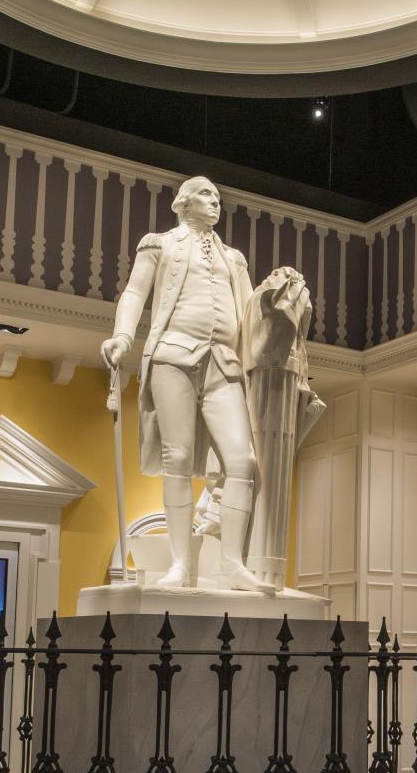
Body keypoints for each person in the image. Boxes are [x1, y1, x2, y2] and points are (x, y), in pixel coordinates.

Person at [99, 175, 304, 594]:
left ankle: (231, 564)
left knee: (242, 461)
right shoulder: (159, 244)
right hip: (173, 352)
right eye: (206, 196)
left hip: (223, 362)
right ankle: (180, 565)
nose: (215, 203)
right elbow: (135, 292)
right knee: (177, 458)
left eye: (217, 197)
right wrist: (122, 335)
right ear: (184, 203)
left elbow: (250, 311)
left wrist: (274, 297)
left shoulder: (235, 258)